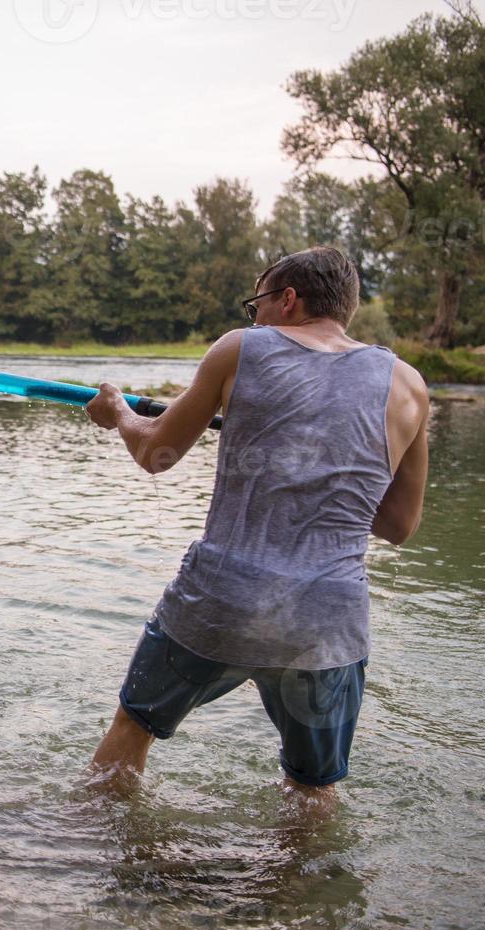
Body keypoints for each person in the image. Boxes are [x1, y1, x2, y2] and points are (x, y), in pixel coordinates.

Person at [82, 245, 430, 814]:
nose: (256, 317)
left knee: (133, 729)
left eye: (258, 304)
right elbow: (399, 525)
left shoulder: (240, 349)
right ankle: (306, 897)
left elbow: (157, 452)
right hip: (327, 620)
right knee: (313, 790)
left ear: (287, 299)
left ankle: (86, 857)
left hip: (222, 598)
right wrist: (325, 463)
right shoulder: (409, 386)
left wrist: (118, 411)